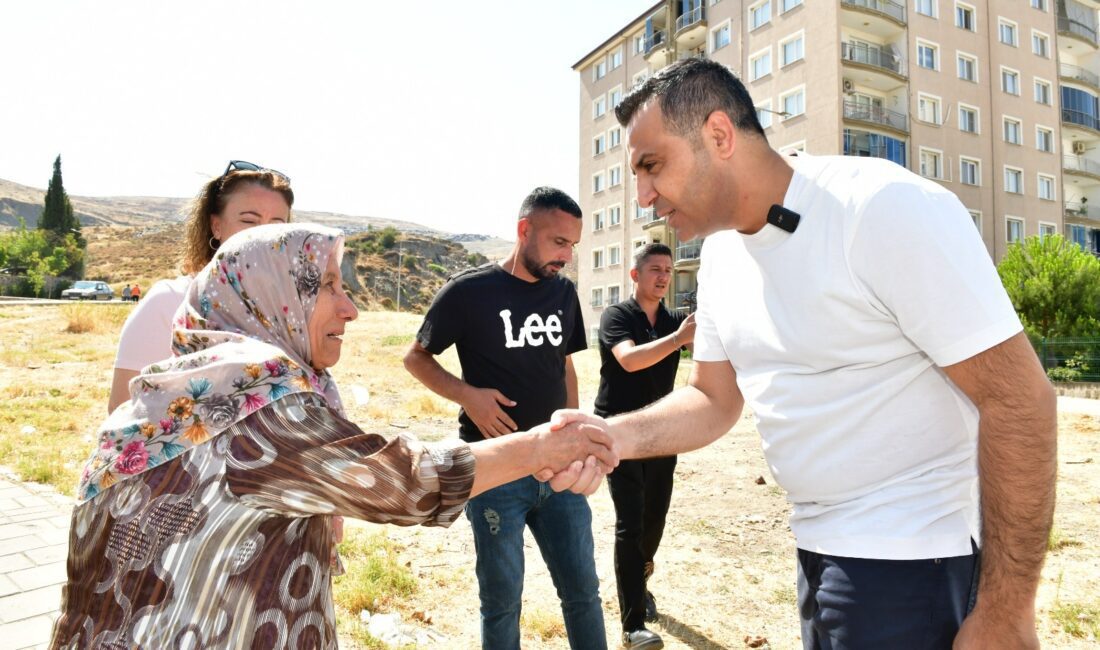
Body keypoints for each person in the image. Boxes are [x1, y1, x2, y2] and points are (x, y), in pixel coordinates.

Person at [551, 58, 1057, 649]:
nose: (642, 197)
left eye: (651, 166)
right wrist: (611, 437)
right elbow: (713, 399)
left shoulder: (880, 208)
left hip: (913, 560)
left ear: (719, 135)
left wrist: (1005, 611)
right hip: (817, 552)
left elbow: (1019, 399)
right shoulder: (720, 256)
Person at [50, 223, 614, 649]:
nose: (351, 309)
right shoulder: (253, 408)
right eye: (325, 286)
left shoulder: (179, 391)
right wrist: (546, 446)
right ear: (271, 299)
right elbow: (408, 483)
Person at [403, 187, 607, 650]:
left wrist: (576, 430)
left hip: (560, 470)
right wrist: (467, 396)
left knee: (583, 594)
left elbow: (566, 365)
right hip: (495, 471)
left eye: (573, 245)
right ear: (524, 231)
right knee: (501, 601)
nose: (566, 257)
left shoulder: (563, 292)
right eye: (559, 243)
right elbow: (415, 358)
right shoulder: (469, 292)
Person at [108, 161, 293, 413]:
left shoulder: (286, 311)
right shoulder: (169, 301)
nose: (263, 234)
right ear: (216, 226)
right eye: (249, 221)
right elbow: (122, 409)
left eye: (277, 225)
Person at [595, 243, 694, 650]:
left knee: (655, 520)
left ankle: (638, 582)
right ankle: (632, 624)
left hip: (663, 434)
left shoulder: (673, 319)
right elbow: (630, 360)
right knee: (631, 523)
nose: (664, 276)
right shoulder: (617, 316)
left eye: (668, 270)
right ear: (635, 275)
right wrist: (679, 338)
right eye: (655, 269)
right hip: (619, 432)